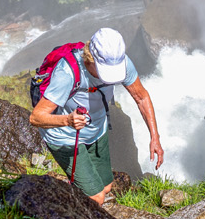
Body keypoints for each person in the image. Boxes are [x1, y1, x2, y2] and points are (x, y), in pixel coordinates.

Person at [28, 28, 164, 205]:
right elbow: (36, 117)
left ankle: (77, 206)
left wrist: (155, 137)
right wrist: (67, 120)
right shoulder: (67, 73)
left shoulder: (122, 63)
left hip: (97, 129)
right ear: (89, 57)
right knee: (96, 197)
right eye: (103, 70)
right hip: (66, 137)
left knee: (106, 187)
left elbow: (141, 96)